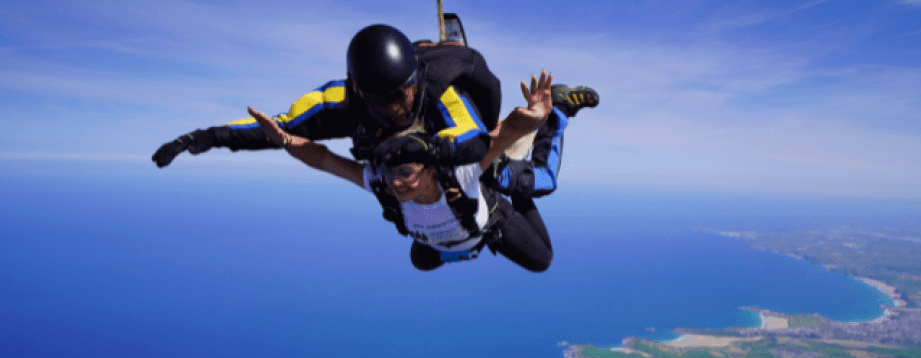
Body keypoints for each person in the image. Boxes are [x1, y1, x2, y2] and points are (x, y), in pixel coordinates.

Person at [247, 73, 599, 272]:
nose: (396, 182)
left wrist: (536, 115)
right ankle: (469, 233)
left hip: (485, 205)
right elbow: (325, 160)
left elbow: (502, 134)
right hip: (462, 226)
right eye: (391, 172)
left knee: (541, 255)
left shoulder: (460, 173)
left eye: (405, 171)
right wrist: (286, 141)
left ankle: (559, 112)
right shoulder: (383, 183)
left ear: (430, 168)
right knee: (421, 260)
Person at [152, 24, 501, 172]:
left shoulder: (441, 89)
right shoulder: (338, 101)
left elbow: (473, 136)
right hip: (402, 160)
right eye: (385, 100)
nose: (400, 107)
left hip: (444, 139)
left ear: (416, 80)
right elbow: (277, 128)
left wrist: (430, 148)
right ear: (359, 92)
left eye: (405, 92)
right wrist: (207, 136)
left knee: (482, 170)